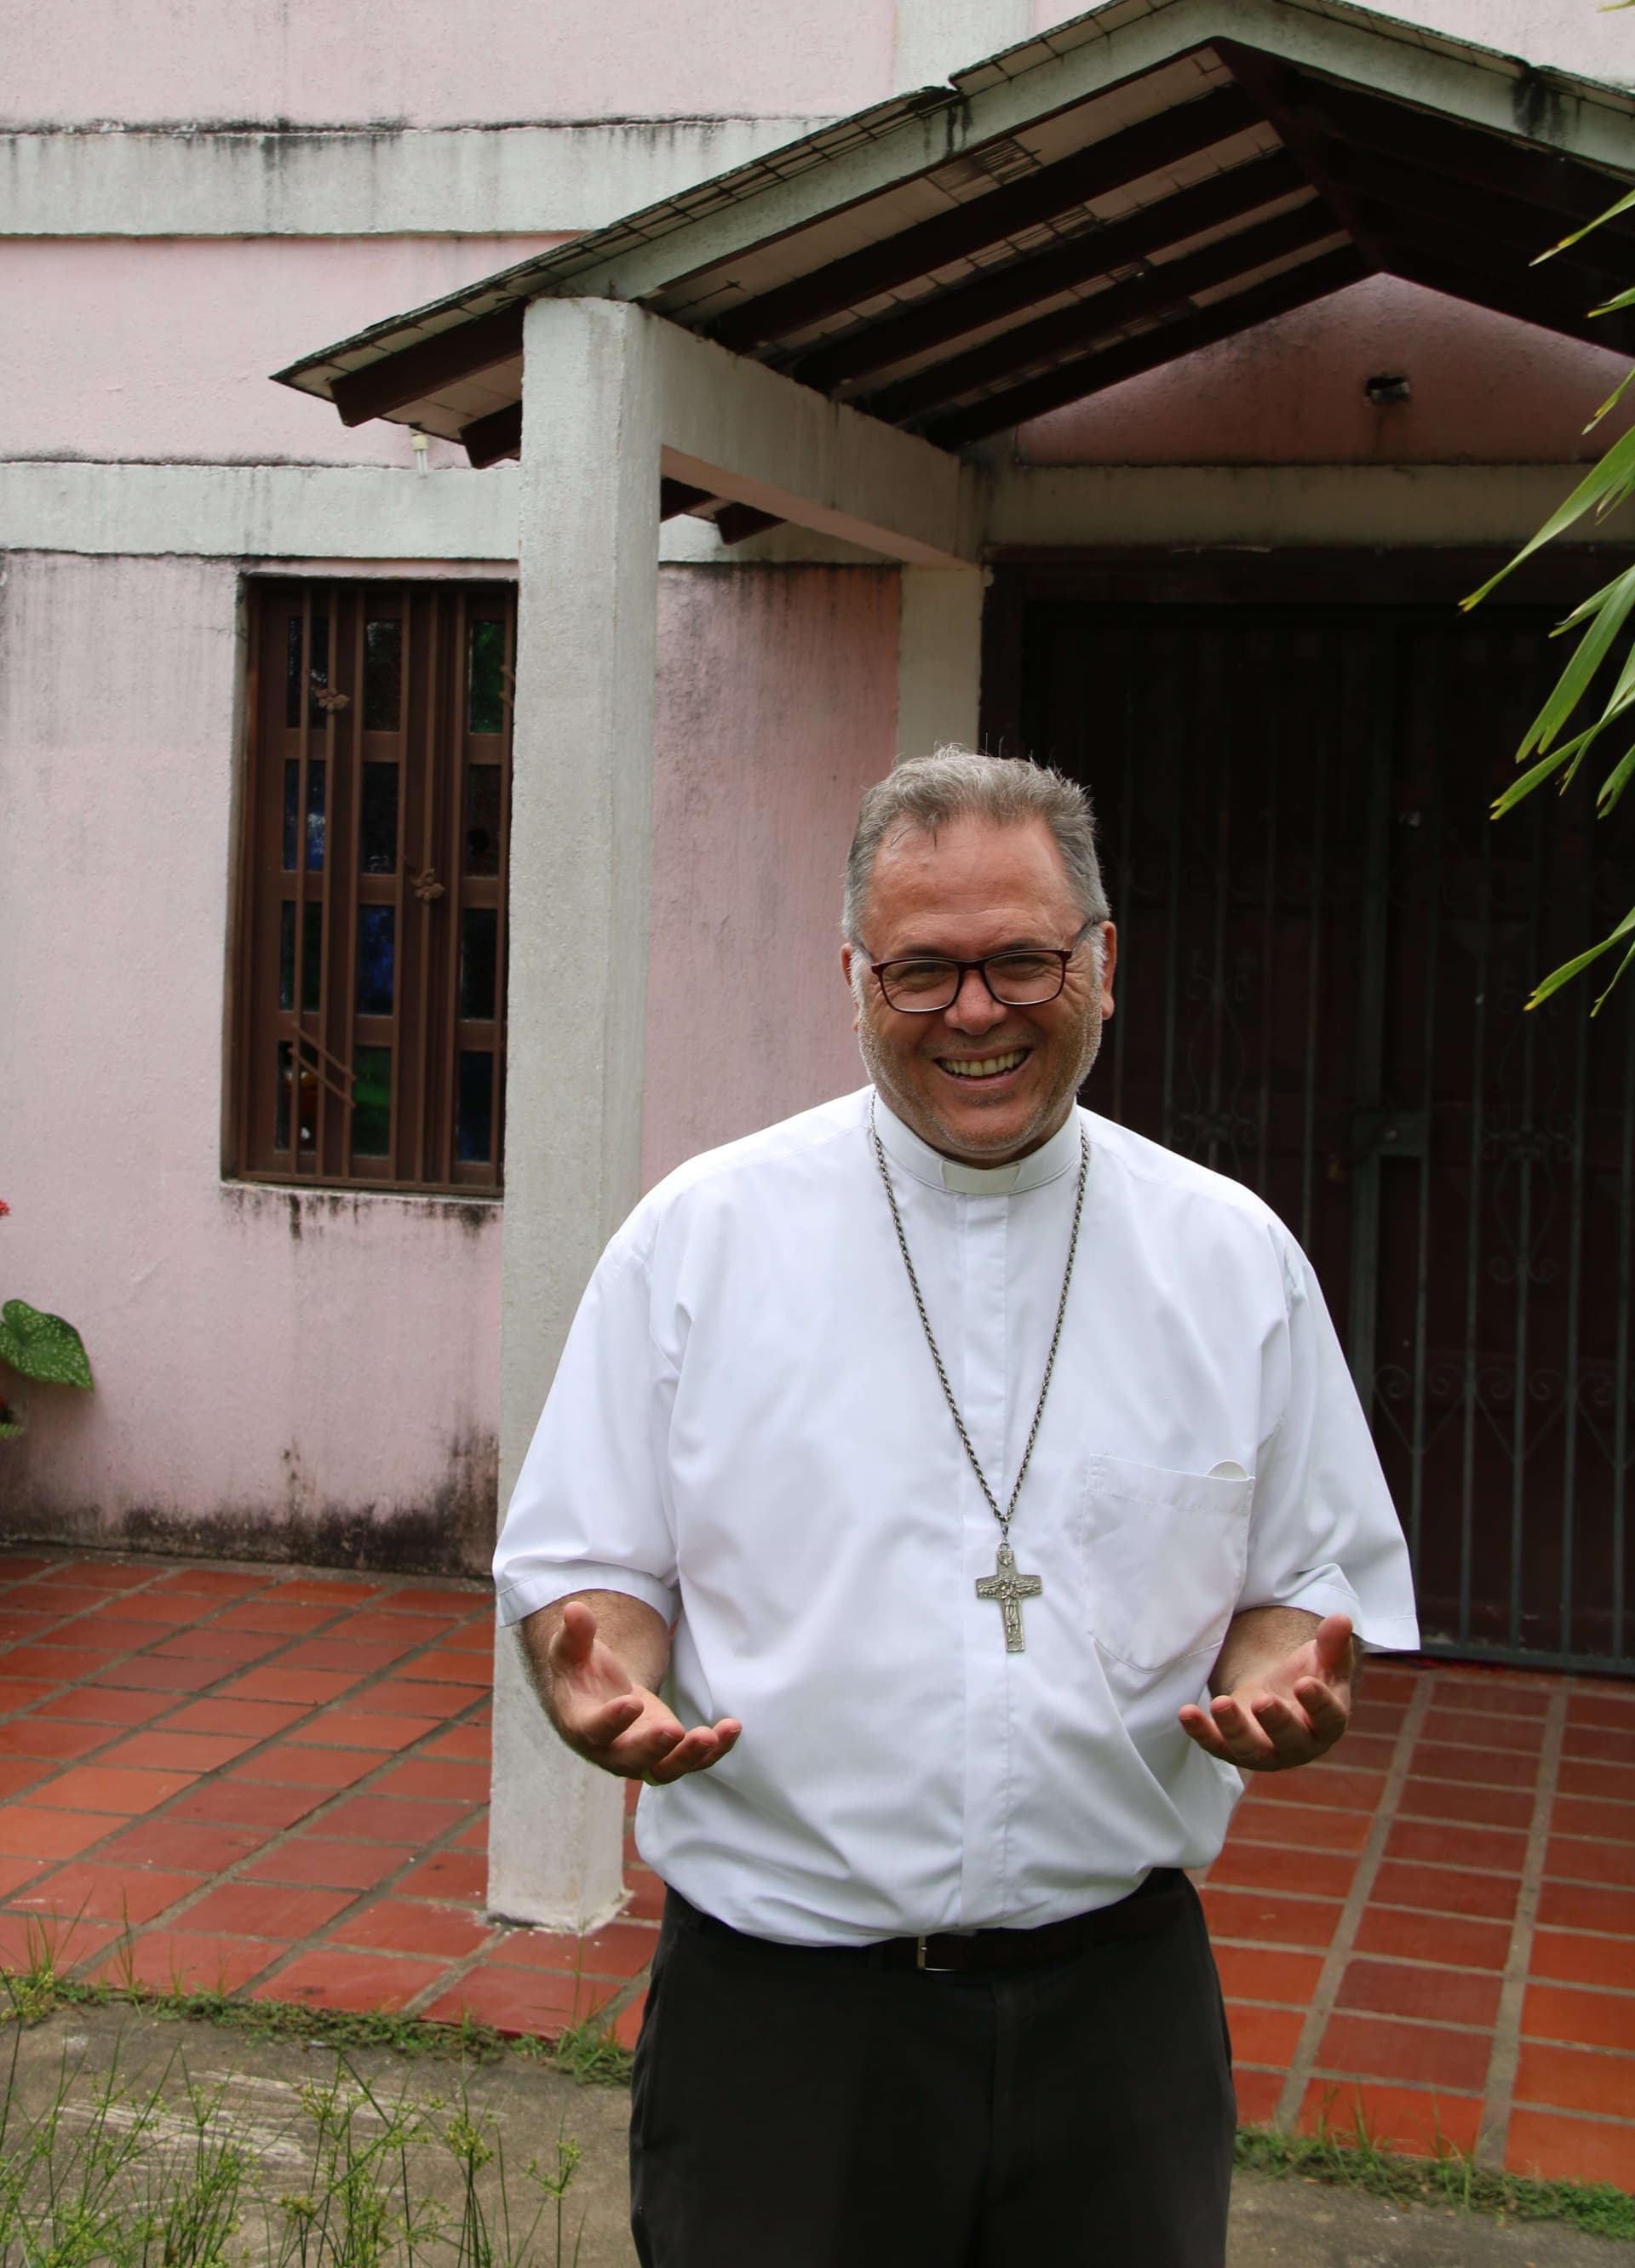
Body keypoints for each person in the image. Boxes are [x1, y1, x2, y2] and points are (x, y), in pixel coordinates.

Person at [494, 747, 1417, 2268]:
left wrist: (1278, 1679)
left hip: (1119, 2020)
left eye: (1023, 961)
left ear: (1105, 963)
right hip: (786, 2028)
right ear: (852, 976)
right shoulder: (701, 1242)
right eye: (922, 973)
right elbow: (593, 1568)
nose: (975, 1013)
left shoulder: (1228, 1258)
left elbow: (1302, 1578)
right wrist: (596, 1665)